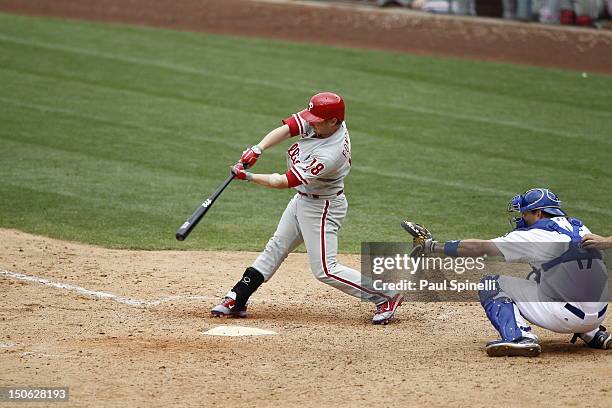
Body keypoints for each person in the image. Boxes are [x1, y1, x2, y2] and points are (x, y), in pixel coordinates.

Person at [211, 92, 403, 325]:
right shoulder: (324, 121)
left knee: (325, 269)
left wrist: (248, 176)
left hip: (322, 207)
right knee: (276, 247)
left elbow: (283, 181)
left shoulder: (329, 154)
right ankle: (237, 297)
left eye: (316, 119)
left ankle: (386, 295)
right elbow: (288, 128)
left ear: (333, 121)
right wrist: (258, 148)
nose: (310, 122)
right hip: (304, 200)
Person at [403, 188, 610, 356]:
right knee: (537, 276)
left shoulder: (535, 236)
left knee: (491, 284)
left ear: (538, 213)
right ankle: (594, 334)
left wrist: (432, 247)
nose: (522, 218)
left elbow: (478, 248)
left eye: (525, 213)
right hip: (599, 314)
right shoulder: (579, 226)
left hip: (567, 316)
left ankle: (520, 338)